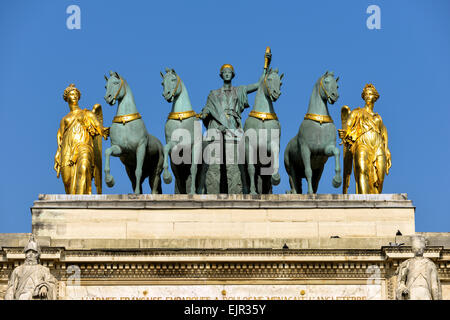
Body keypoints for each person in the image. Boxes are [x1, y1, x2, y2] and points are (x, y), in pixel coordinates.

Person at [200, 52, 271, 194]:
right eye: (224, 72)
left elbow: (259, 84)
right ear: (221, 75)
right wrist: (205, 114)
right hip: (217, 132)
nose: (227, 74)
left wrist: (265, 67)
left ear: (233, 75)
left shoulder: (239, 91)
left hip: (233, 132)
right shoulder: (213, 94)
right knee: (214, 167)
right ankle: (212, 195)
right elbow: (207, 109)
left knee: (233, 168)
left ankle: (235, 196)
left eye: (229, 72)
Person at [54, 84, 109, 194]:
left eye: (76, 94)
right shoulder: (64, 119)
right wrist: (58, 154)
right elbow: (61, 139)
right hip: (67, 150)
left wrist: (108, 131)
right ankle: (72, 204)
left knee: (83, 168)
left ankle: (81, 201)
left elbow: (100, 127)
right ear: (67, 98)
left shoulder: (87, 113)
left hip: (84, 146)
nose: (74, 96)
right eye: (71, 94)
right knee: (67, 180)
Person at [339, 84, 391, 194]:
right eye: (366, 94)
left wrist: (387, 150)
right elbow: (348, 126)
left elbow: (384, 133)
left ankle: (375, 202)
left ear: (375, 97)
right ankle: (363, 201)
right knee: (362, 171)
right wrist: (345, 133)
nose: (368, 96)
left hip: (378, 146)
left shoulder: (378, 117)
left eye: (370, 94)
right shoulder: (357, 112)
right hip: (362, 144)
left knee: (380, 177)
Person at [4, 235, 56, 300]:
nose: (31, 254)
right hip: (21, 296)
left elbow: (51, 283)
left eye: (34, 252)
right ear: (25, 254)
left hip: (38, 296)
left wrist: (44, 287)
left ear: (37, 255)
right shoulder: (17, 270)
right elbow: (11, 288)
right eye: (28, 252)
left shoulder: (44, 270)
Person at [396, 235, 442, 300]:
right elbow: (401, 282)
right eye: (416, 248)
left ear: (424, 249)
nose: (419, 250)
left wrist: (436, 298)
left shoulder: (430, 264)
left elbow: (434, 286)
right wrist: (403, 289)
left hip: (425, 292)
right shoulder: (407, 263)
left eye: (421, 248)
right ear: (413, 249)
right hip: (412, 291)